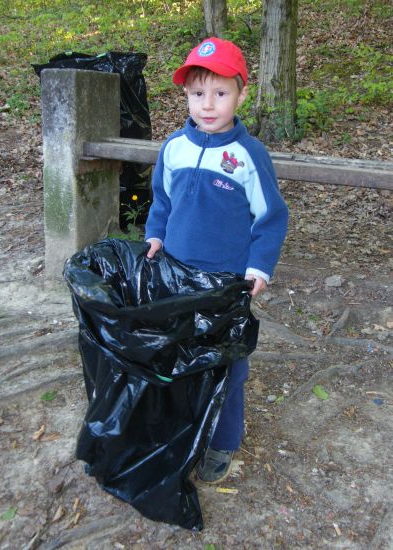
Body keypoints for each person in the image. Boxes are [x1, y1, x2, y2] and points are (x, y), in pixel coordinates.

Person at [144, 37, 289, 483]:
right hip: (176, 277)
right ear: (186, 95)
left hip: (226, 284)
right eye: (197, 93)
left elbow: (271, 217)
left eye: (220, 93)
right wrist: (154, 236)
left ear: (241, 94)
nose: (207, 105)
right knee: (179, 353)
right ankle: (184, 427)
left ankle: (223, 440)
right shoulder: (173, 147)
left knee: (226, 363)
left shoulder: (248, 155)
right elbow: (161, 201)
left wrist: (258, 267)